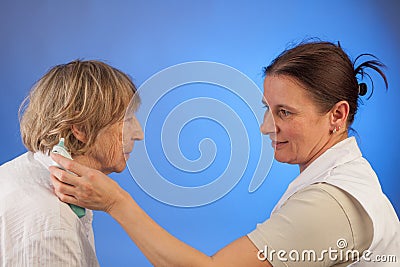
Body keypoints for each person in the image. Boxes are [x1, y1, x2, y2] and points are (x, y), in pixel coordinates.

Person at [49, 41, 400, 266]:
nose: (266, 127)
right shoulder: (338, 180)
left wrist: (117, 204)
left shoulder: (333, 205)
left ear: (336, 116)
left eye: (284, 113)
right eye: (268, 108)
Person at [0, 60, 143, 266]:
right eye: (127, 120)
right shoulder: (53, 222)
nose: (139, 134)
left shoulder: (23, 173)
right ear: (81, 129)